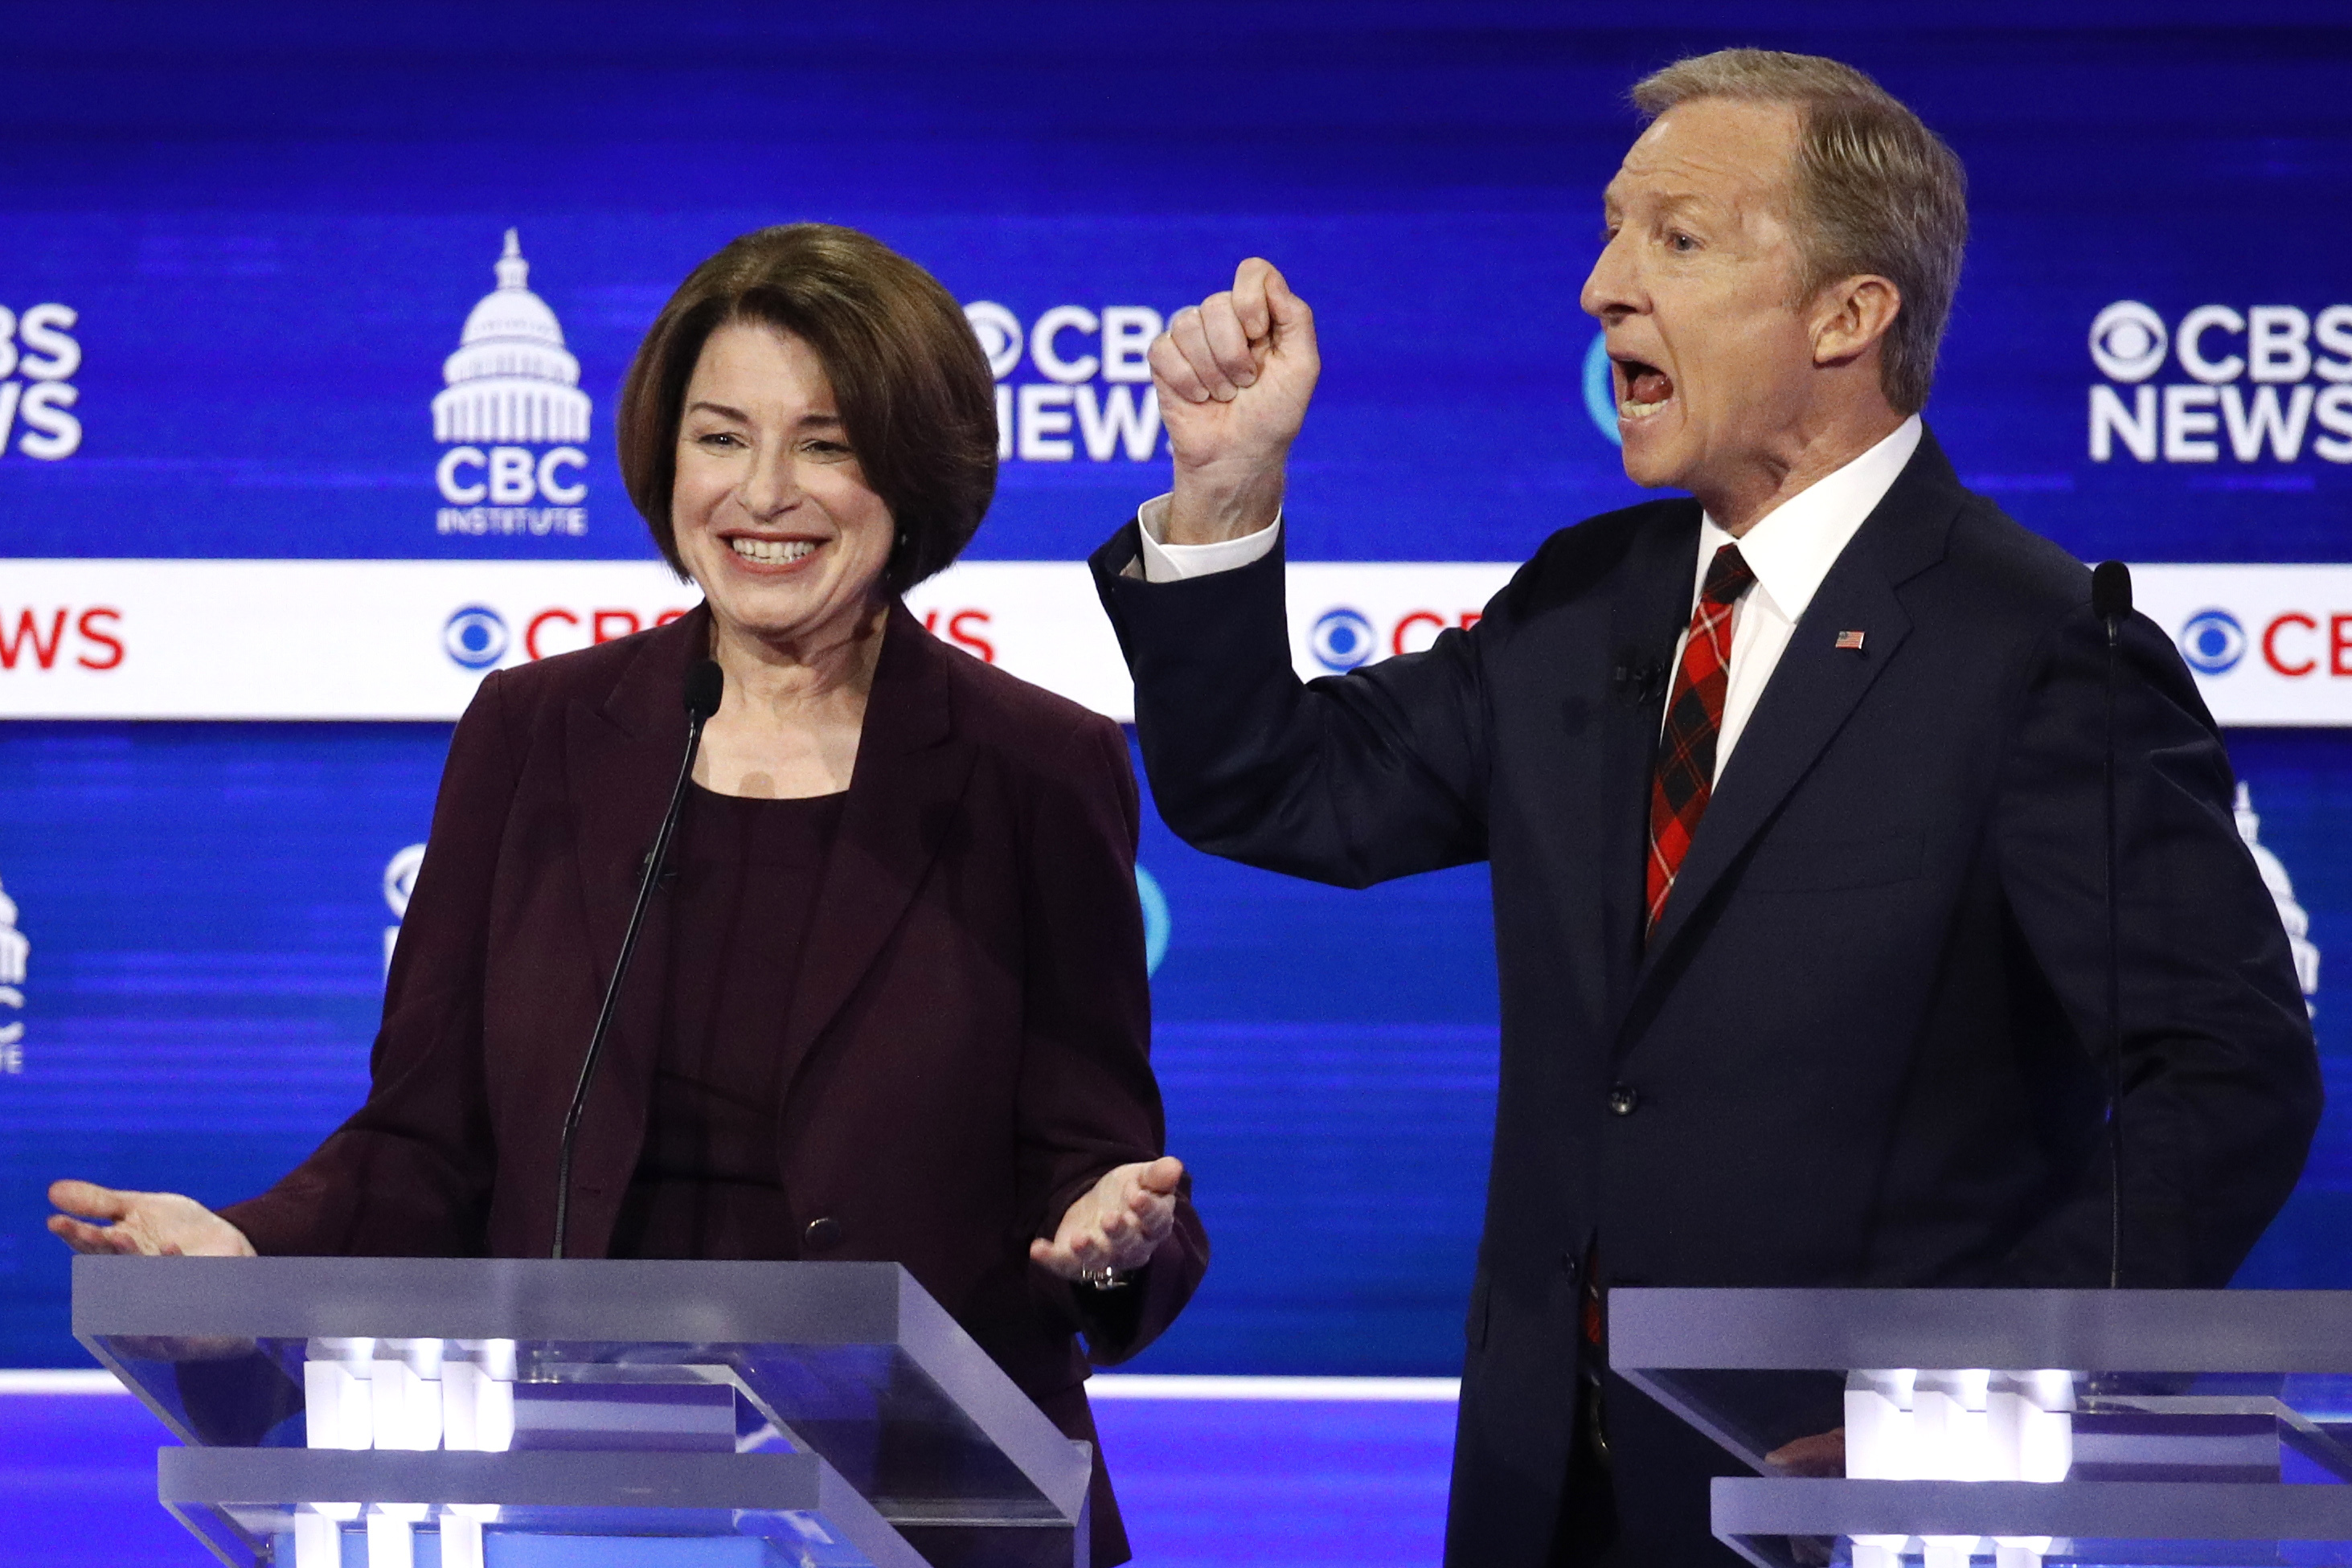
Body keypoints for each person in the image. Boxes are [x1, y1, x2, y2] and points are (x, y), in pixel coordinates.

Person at [1090, 48, 2320, 1568]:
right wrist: (1220, 496)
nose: (1603, 286)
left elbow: (2228, 1077)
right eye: (1610, 234)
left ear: (1847, 314)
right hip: (1549, 1491)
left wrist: (1977, 1391)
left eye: (1674, 237)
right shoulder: (1580, 604)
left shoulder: (2041, 653)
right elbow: (1276, 788)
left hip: (1860, 1500)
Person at [50, 223, 1206, 1567]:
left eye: (825, 444)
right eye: (721, 438)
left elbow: (1095, 1161)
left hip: (924, 1504)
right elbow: (426, 1142)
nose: (762, 493)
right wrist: (245, 1254)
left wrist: (1107, 1238)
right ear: (666, 462)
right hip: (569, 1495)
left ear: (913, 473)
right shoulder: (534, 731)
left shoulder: (1035, 764)